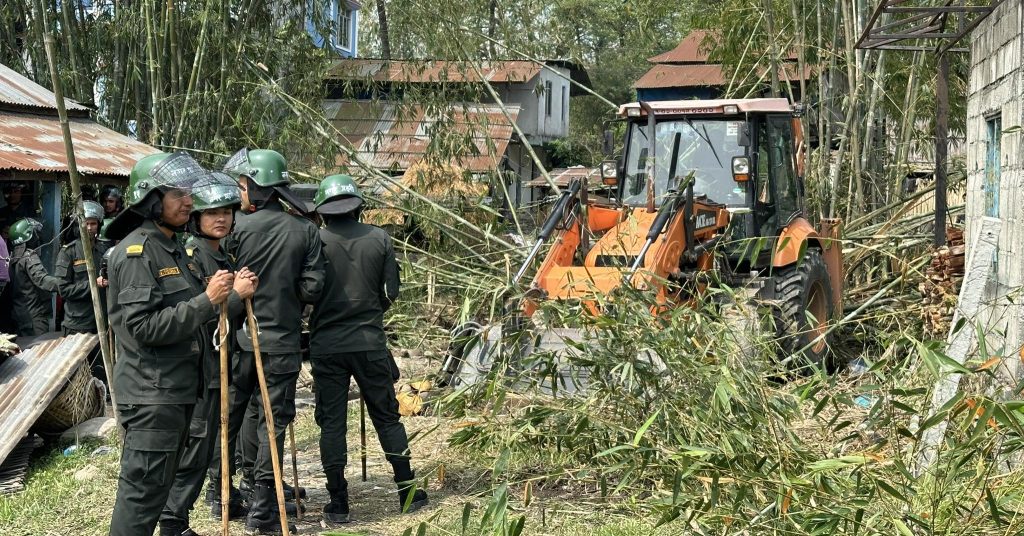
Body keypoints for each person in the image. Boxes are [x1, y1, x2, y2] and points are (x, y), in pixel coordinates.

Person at [104, 152, 247, 536]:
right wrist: (207, 301)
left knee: (158, 490)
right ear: (151, 199)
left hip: (176, 392)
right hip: (153, 395)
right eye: (177, 194)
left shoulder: (172, 248)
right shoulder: (138, 253)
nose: (188, 202)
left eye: (189, 193)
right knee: (141, 494)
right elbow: (143, 327)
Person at [213, 148, 324, 535]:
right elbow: (313, 287)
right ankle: (264, 505)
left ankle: (227, 491)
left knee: (240, 414)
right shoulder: (306, 230)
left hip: (238, 339)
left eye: (243, 186)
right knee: (272, 420)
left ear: (258, 188)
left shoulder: (235, 229)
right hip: (279, 342)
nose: (240, 194)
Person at [310, 174, 428, 525]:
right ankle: (407, 491)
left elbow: (306, 291)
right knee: (387, 417)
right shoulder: (380, 238)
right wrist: (370, 311)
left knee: (331, 424)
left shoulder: (313, 241)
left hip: (327, 346)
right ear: (359, 207)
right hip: (369, 342)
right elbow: (391, 291)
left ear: (322, 211)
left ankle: (338, 502)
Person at [159, 173, 257, 536]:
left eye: (227, 212)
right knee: (195, 447)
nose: (222, 219)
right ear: (196, 218)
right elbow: (198, 314)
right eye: (212, 213)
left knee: (208, 448)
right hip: (198, 368)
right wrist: (237, 296)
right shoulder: (191, 256)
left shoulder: (224, 253)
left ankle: (180, 518)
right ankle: (172, 521)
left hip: (222, 364)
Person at [55, 201, 107, 336]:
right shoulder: (68, 252)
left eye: (93, 223)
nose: (89, 228)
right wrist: (93, 284)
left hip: (102, 322)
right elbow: (63, 290)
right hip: (77, 325)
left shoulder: (103, 250)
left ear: (99, 225)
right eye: (85, 223)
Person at [9, 218, 60, 337]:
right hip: (34, 317)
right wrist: (67, 284)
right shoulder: (29, 256)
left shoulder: (13, 257)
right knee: (39, 352)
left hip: (19, 314)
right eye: (35, 233)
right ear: (28, 236)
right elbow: (42, 280)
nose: (38, 237)